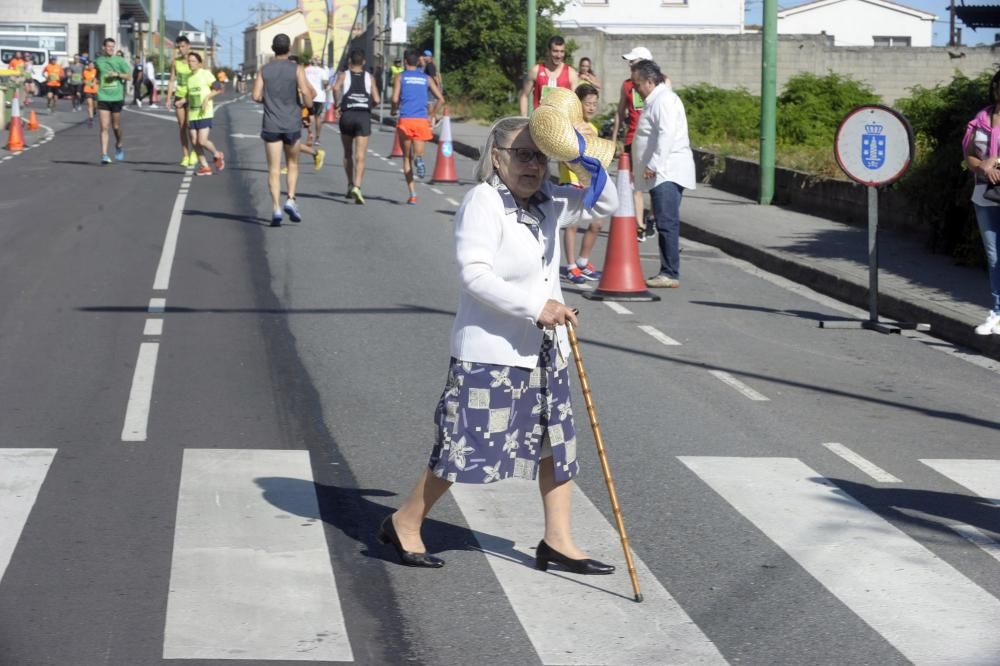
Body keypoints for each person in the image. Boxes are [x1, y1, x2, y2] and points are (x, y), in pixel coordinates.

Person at [379, 116, 618, 572]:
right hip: (490, 353)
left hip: (545, 351)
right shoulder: (483, 202)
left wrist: (577, 156)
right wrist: (537, 306)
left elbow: (605, 202)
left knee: (556, 443)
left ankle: (558, 539)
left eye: (540, 156)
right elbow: (474, 275)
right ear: (496, 156)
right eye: (522, 154)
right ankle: (405, 521)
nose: (533, 165)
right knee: (463, 447)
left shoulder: (550, 203)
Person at [630, 60, 695, 289]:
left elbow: (666, 133)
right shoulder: (656, 100)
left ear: (650, 81)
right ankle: (667, 270)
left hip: (667, 171)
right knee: (666, 221)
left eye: (638, 84)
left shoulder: (663, 100)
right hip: (664, 171)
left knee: (667, 222)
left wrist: (654, 164)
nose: (635, 88)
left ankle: (669, 272)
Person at [253, 33, 320, 226]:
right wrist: (308, 106)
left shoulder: (264, 70)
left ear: (273, 49)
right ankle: (290, 199)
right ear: (289, 48)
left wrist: (270, 100)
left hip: (271, 123)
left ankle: (275, 208)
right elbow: (307, 92)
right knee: (292, 164)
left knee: (273, 169)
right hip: (291, 122)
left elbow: (256, 95)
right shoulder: (297, 69)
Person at [962, 70, 1000, 336]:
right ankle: (997, 312)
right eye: (998, 86)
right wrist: (982, 165)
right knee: (994, 256)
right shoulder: (980, 119)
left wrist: (995, 162)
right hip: (985, 195)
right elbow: (969, 156)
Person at [558, 83, 604, 285]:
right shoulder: (568, 125)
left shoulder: (593, 128)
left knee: (597, 223)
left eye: (595, 103)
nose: (592, 107)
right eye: (588, 103)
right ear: (578, 104)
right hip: (572, 180)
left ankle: (583, 261)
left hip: (590, 183)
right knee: (572, 225)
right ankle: (571, 266)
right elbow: (564, 155)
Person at [611, 46, 655, 241]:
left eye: (634, 61)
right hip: (632, 138)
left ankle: (652, 218)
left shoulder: (657, 83)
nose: (630, 65)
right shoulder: (627, 85)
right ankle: (639, 225)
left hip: (651, 139)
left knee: (654, 183)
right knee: (635, 184)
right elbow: (620, 111)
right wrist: (614, 138)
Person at [391, 49, 444, 205]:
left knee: (406, 157)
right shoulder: (426, 78)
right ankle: (419, 159)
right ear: (418, 62)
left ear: (405, 62)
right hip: (421, 120)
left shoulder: (400, 77)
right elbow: (441, 99)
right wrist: (432, 115)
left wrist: (394, 110)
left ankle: (413, 194)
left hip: (406, 119)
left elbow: (394, 98)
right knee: (417, 153)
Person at [333, 47, 380, 204]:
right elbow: (377, 99)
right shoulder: (369, 77)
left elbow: (335, 88)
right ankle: (357, 187)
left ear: (350, 62)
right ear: (364, 62)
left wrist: (337, 104)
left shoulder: (343, 75)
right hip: (363, 116)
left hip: (347, 115)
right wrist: (369, 106)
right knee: (361, 155)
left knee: (347, 153)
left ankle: (349, 184)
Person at [185, 52, 225, 176]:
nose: (190, 63)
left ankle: (217, 154)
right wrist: (183, 100)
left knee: (202, 141)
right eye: (189, 61)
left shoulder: (205, 74)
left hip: (204, 113)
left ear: (199, 63)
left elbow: (218, 88)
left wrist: (207, 97)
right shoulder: (189, 78)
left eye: (193, 61)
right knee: (194, 140)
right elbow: (189, 96)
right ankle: (205, 166)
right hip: (193, 113)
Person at [519, 35, 578, 115]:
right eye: (555, 51)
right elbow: (524, 95)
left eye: (562, 51)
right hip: (539, 121)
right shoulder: (535, 71)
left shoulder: (571, 73)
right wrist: (524, 117)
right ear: (548, 51)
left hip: (562, 123)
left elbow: (576, 102)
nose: (559, 55)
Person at [94, 38, 130, 165]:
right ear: (103, 47)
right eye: (108, 46)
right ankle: (104, 155)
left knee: (116, 126)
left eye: (112, 47)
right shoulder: (98, 61)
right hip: (103, 97)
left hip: (116, 97)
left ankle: (119, 143)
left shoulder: (119, 60)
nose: (110, 49)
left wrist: (117, 74)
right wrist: (96, 82)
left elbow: (129, 76)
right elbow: (97, 75)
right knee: (104, 127)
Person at [167, 36, 197, 167]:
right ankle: (185, 155)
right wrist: (168, 98)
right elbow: (172, 80)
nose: (181, 49)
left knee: (191, 126)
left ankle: (195, 152)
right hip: (179, 96)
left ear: (189, 46)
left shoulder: (193, 61)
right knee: (182, 126)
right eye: (179, 47)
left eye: (183, 46)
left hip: (192, 96)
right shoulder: (175, 62)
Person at [303, 57, 329, 145]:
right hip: (319, 96)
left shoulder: (306, 70)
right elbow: (325, 83)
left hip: (308, 96)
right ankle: (317, 138)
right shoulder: (322, 71)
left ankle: (310, 133)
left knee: (309, 115)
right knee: (318, 117)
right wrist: (327, 86)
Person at [82, 59, 98, 126]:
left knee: (95, 105)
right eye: (89, 65)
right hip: (87, 90)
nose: (91, 66)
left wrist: (95, 82)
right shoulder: (84, 72)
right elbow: (83, 80)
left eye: (92, 65)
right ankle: (91, 119)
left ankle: (94, 110)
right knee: (89, 104)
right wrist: (87, 82)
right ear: (88, 66)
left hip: (95, 90)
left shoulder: (96, 71)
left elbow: (98, 79)